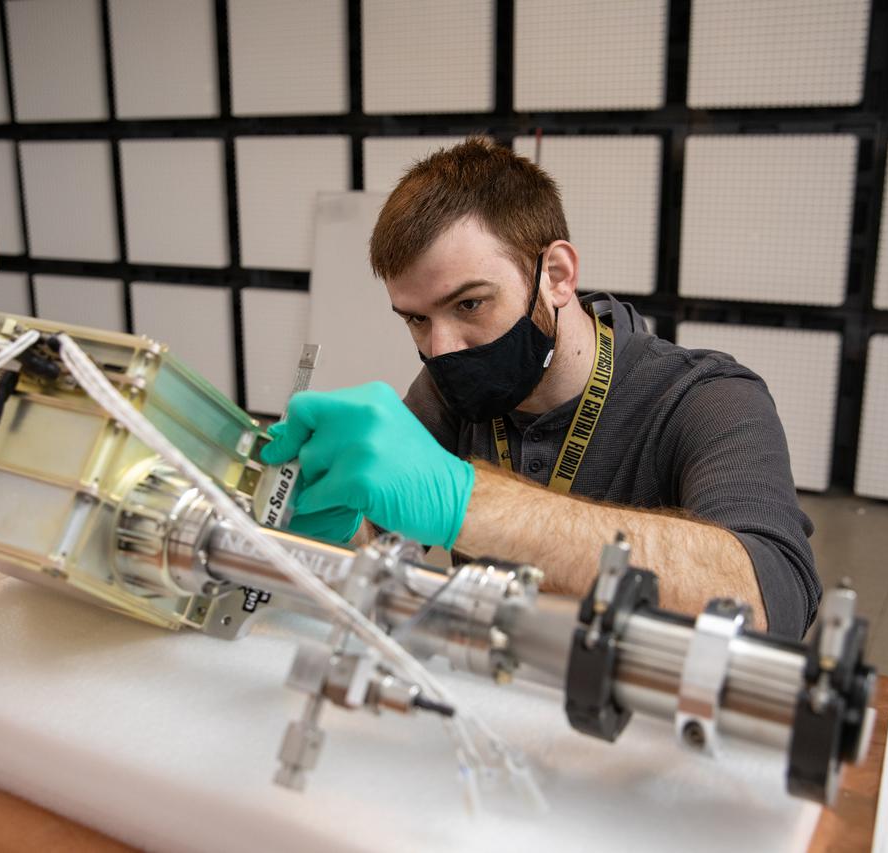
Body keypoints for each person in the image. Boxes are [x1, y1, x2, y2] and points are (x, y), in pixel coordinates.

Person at [261, 138, 819, 639]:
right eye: (415, 319)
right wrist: (326, 525)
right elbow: (371, 543)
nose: (441, 349)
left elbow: (770, 599)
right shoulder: (447, 391)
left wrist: (467, 501)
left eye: (470, 304)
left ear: (556, 275)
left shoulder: (708, 401)